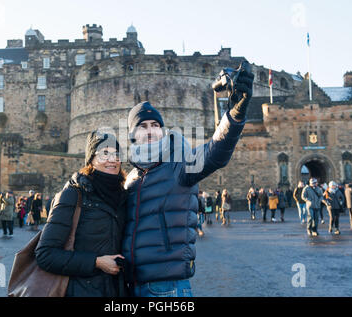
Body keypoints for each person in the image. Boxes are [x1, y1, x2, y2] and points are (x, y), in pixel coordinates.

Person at [121, 64, 254, 297]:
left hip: (166, 286)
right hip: (132, 284)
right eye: (143, 126)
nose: (151, 130)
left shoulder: (180, 165)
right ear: (133, 135)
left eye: (155, 125)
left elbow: (215, 152)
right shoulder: (131, 176)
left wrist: (234, 114)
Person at [36, 132, 128, 297]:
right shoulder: (73, 195)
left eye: (116, 154)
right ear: (91, 159)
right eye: (104, 154)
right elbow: (45, 254)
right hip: (80, 290)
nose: (112, 159)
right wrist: (97, 262)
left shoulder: (123, 197)